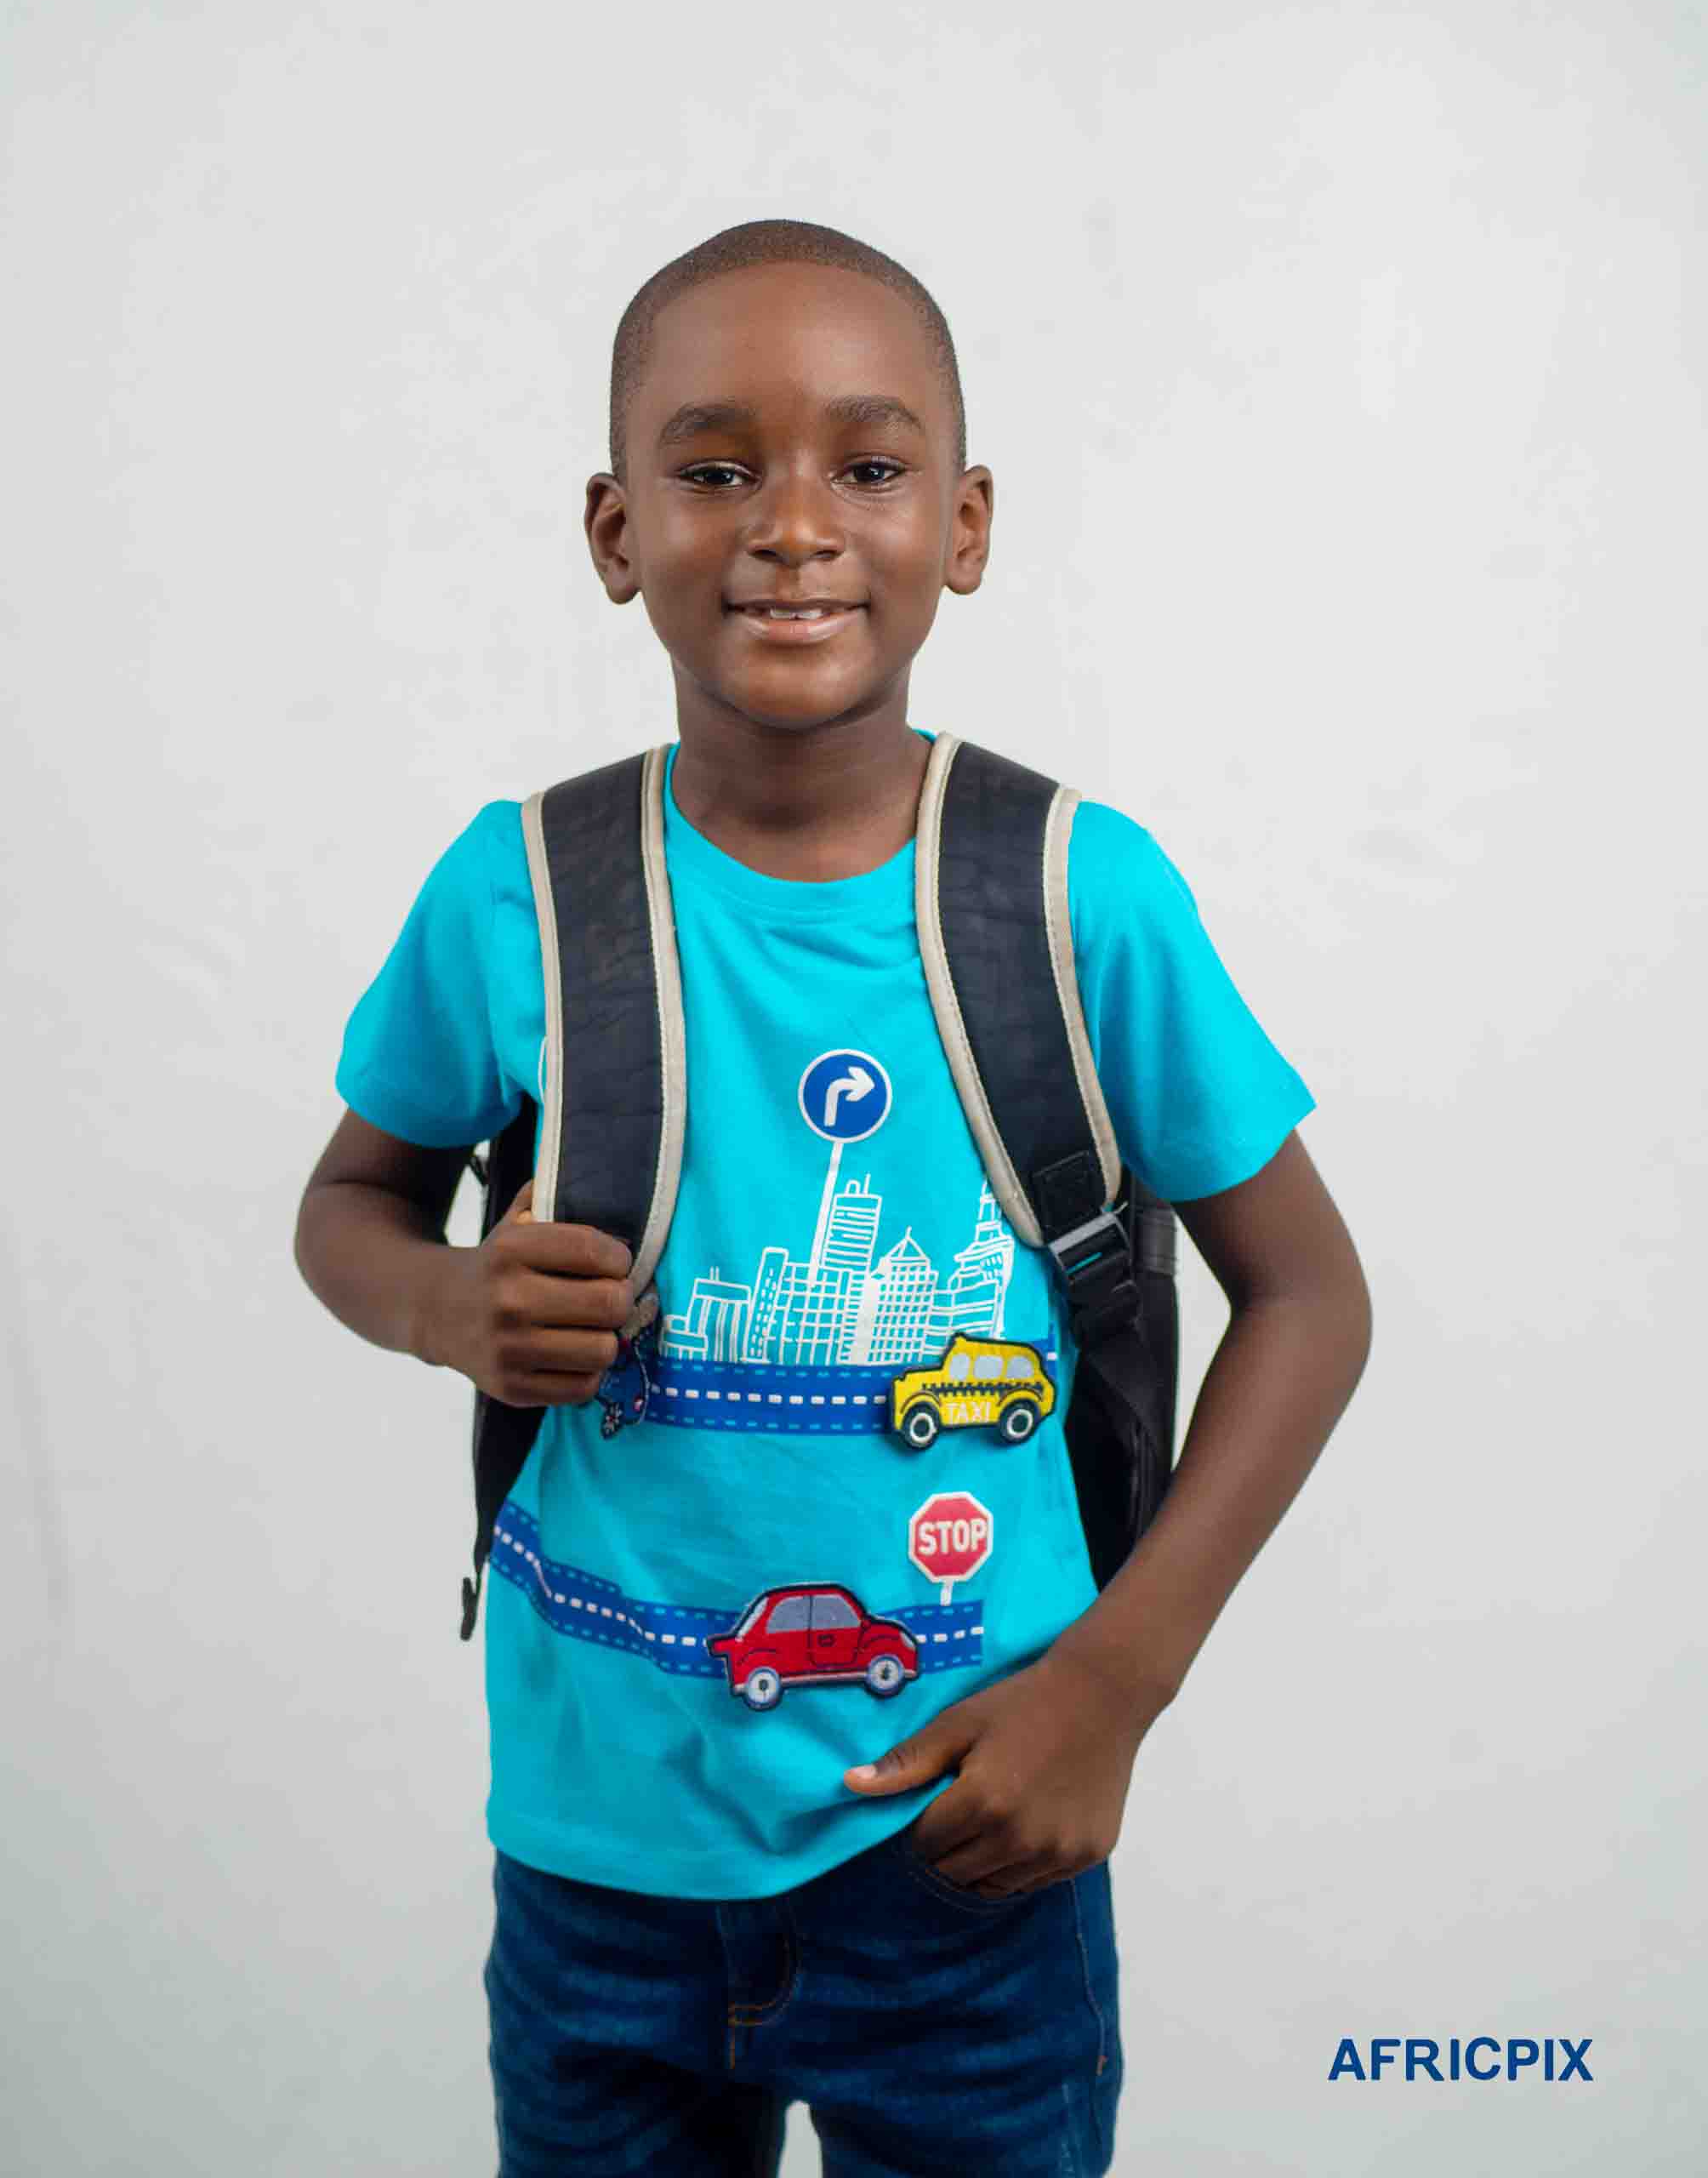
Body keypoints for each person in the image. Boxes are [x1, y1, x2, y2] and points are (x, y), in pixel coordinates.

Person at [293, 218, 1372, 2178]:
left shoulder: (1072, 897)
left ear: (960, 524)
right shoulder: (515, 893)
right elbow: (346, 1211)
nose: (790, 525)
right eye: (714, 470)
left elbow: (1306, 1298)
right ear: (616, 532)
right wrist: (452, 1302)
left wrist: (1111, 1689)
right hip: (594, 1865)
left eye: (864, 468)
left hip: (966, 1853)